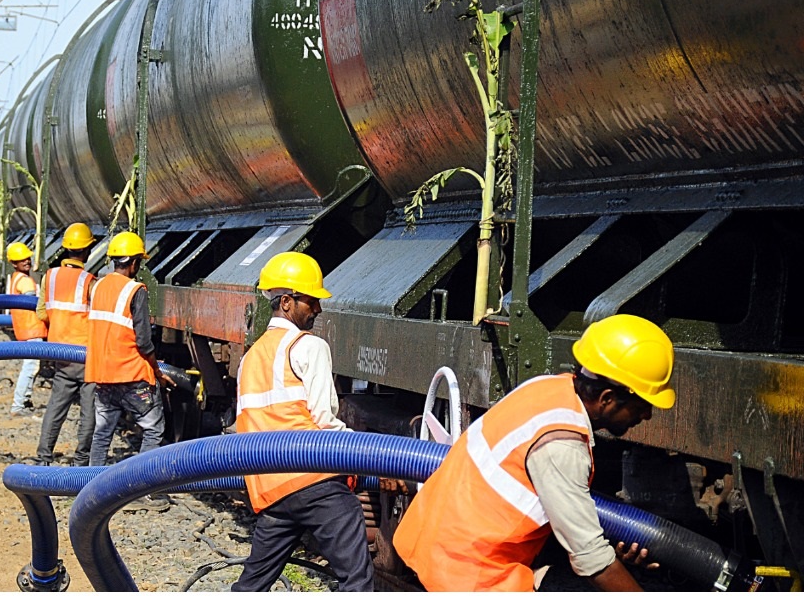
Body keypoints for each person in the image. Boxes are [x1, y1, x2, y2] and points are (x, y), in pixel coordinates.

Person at [392, 313, 675, 592]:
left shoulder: (548, 388)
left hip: (438, 546)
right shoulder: (561, 445)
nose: (647, 415)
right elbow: (592, 561)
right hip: (472, 575)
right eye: (641, 405)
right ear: (607, 399)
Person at [229, 251, 372, 592]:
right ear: (288, 302)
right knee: (357, 580)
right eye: (312, 301)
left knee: (251, 585)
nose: (318, 310)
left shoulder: (249, 359)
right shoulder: (309, 346)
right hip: (314, 482)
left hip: (271, 492)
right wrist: (367, 453)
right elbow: (324, 420)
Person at [87, 231, 176, 467]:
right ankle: (143, 486)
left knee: (103, 432)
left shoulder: (97, 286)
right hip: (131, 375)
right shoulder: (136, 290)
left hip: (103, 375)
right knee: (154, 429)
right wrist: (157, 371)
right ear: (135, 262)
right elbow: (144, 342)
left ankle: (91, 489)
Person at [31, 223, 100, 465]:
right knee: (89, 410)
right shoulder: (90, 281)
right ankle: (81, 460)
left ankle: (43, 457)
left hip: (61, 354)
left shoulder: (49, 277)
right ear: (87, 250)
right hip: (85, 355)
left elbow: (41, 313)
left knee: (56, 408)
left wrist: (60, 324)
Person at [5, 241, 48, 416]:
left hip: (26, 329)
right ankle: (18, 405)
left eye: (27, 258)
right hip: (32, 329)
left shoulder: (15, 278)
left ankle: (25, 399)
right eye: (21, 259)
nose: (26, 261)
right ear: (14, 263)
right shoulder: (25, 281)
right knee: (30, 367)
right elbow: (33, 302)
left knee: (32, 366)